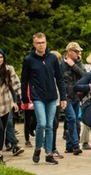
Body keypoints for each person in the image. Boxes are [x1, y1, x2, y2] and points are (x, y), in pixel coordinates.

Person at [21, 33, 68, 165]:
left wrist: (63, 97)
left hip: (52, 96)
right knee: (41, 123)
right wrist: (25, 98)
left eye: (43, 42)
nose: (41, 45)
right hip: (37, 96)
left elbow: (59, 78)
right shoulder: (29, 59)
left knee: (50, 125)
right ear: (34, 44)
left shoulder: (52, 58)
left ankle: (49, 153)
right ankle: (37, 148)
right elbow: (24, 80)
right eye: (38, 43)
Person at [61, 42, 86, 155]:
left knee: (75, 121)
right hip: (66, 96)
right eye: (76, 51)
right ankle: (76, 145)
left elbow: (85, 75)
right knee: (71, 119)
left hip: (76, 95)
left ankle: (69, 145)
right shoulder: (61, 64)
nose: (79, 54)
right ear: (69, 52)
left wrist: (74, 65)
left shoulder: (78, 63)